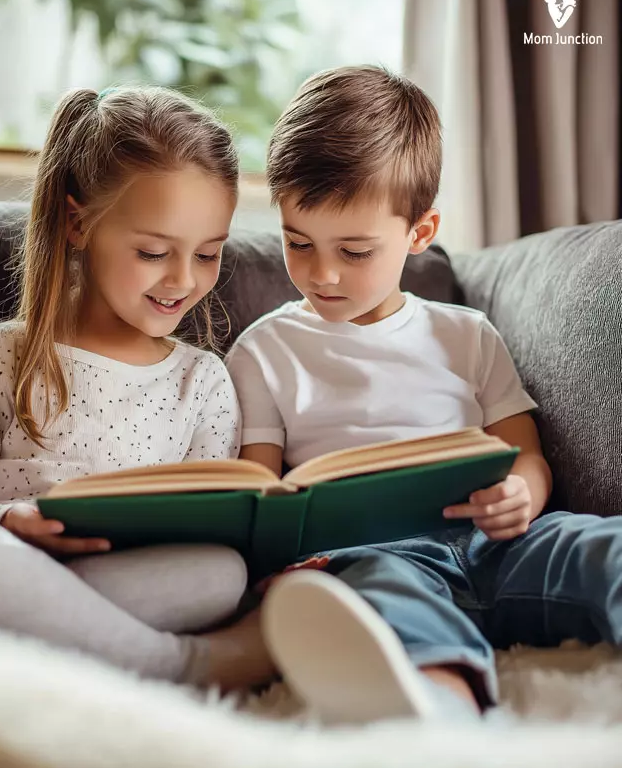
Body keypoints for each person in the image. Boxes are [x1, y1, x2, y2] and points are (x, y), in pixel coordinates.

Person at [225, 65, 622, 724]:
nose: (322, 274)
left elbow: (527, 455)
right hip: (373, 558)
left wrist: (523, 493)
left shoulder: (465, 335)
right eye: (298, 243)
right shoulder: (263, 352)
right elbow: (259, 492)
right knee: (389, 600)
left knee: (601, 546)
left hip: (497, 544)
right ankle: (442, 707)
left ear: (419, 233)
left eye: (354, 251)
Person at [0, 85, 272, 691]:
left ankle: (47, 643)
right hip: (11, 562)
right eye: (154, 251)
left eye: (208, 254)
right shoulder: (1, 353)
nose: (183, 279)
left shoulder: (202, 382)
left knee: (217, 572)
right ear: (78, 224)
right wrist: (8, 520)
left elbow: (214, 521)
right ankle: (184, 664)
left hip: (127, 578)